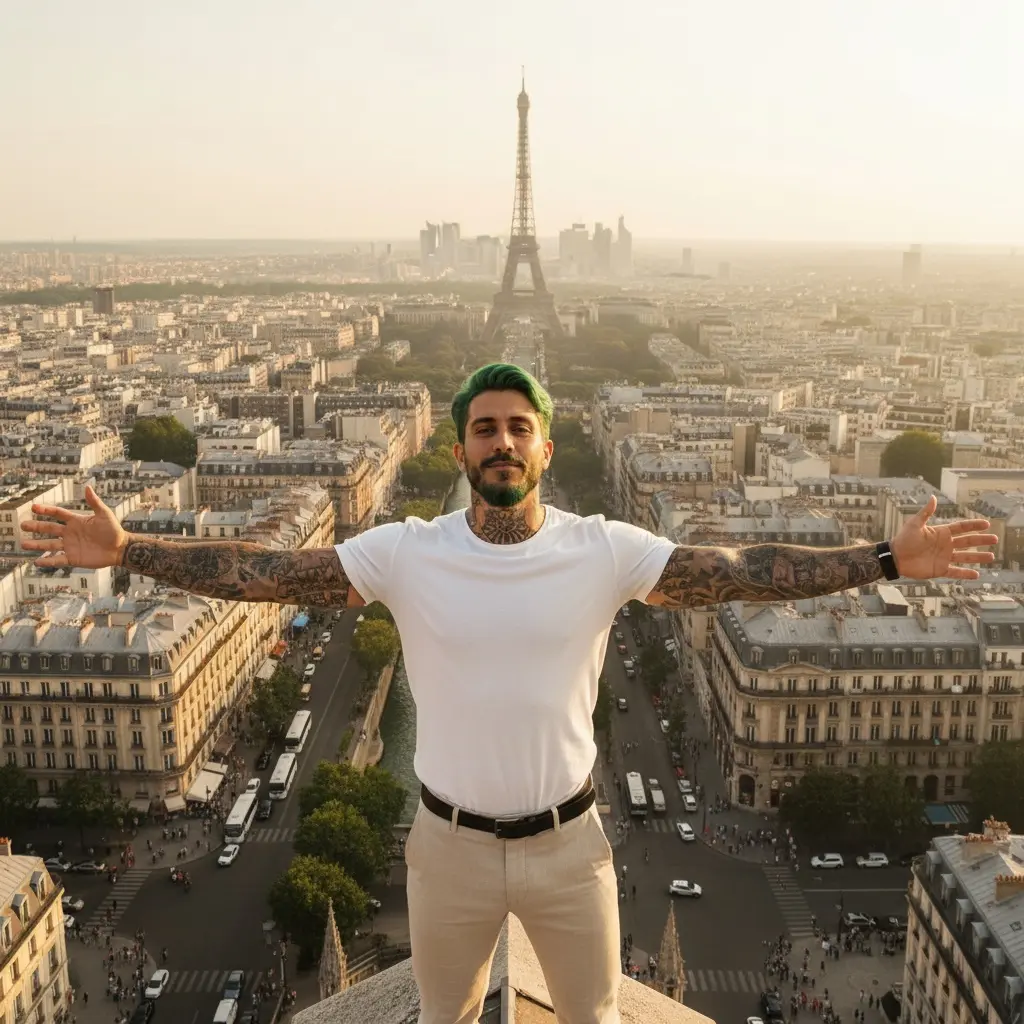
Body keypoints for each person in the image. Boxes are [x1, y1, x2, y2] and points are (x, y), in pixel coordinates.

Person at [22, 363, 997, 1024]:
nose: (501, 441)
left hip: (571, 848)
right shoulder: (406, 550)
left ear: (542, 444)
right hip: (445, 847)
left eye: (517, 427)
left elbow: (738, 567)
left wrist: (881, 557)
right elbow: (271, 572)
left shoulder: (603, 545)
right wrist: (129, 550)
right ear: (460, 451)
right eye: (483, 428)